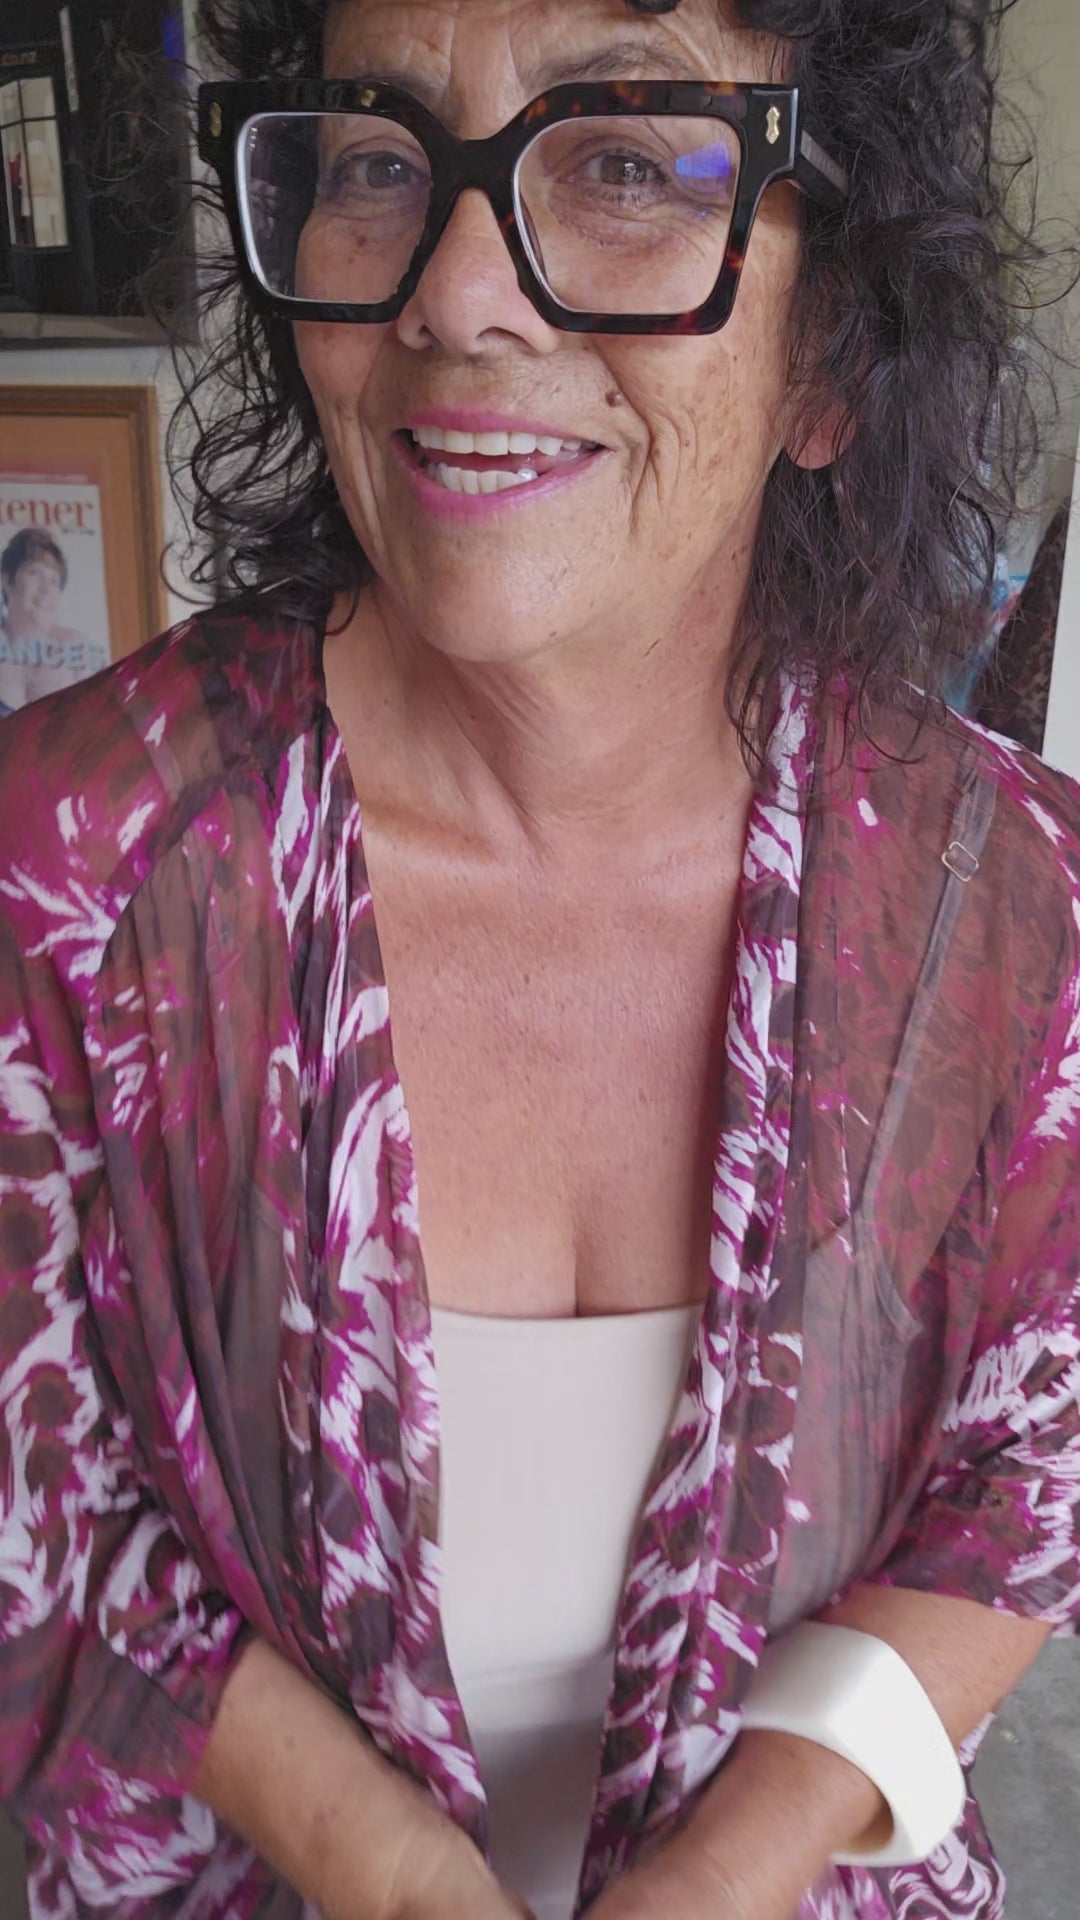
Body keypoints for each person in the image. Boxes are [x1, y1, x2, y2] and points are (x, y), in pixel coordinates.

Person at [0, 2, 1077, 1918]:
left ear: (832, 349)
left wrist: (731, 1870)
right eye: (381, 159)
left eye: (629, 161)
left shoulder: (1019, 918)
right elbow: (33, 1493)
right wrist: (392, 1872)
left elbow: (1026, 1474)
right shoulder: (67, 873)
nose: (456, 295)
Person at [0, 528, 103, 711]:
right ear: (6, 580)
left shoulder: (78, 649)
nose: (46, 589)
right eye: (34, 573)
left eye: (54, 581)